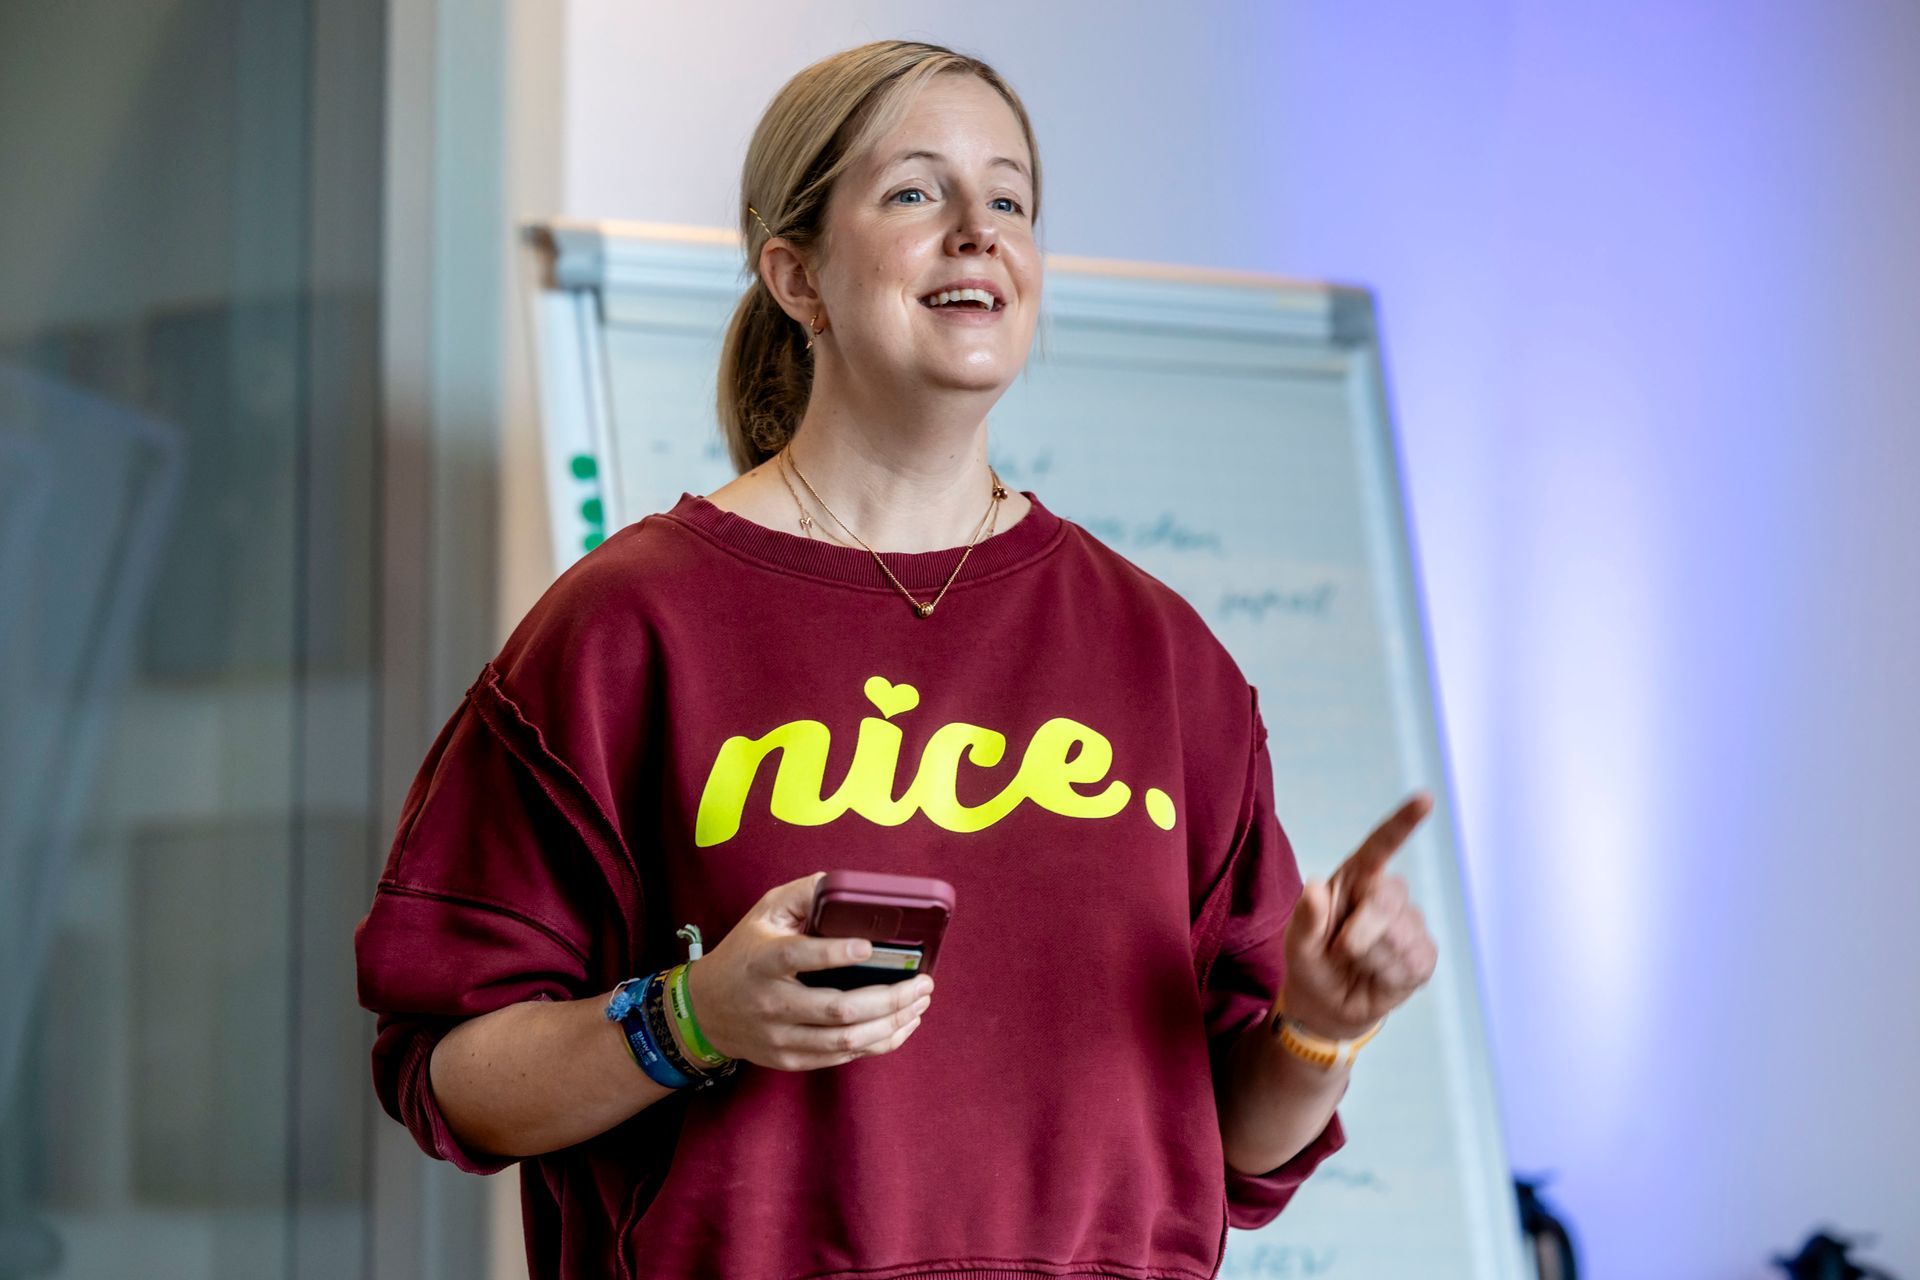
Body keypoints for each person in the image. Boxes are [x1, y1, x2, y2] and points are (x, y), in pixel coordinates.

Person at [354, 38, 1440, 1280]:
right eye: (918, 191)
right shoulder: (624, 627)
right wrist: (695, 1017)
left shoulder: (1163, 653)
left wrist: (1319, 1027)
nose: (979, 230)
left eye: (1012, 197)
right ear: (797, 274)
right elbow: (452, 1078)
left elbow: (1240, 1150)